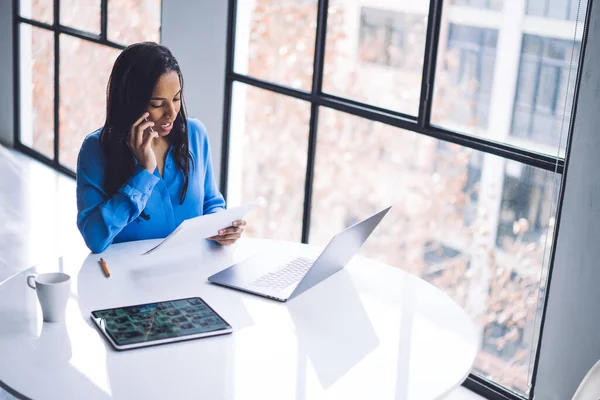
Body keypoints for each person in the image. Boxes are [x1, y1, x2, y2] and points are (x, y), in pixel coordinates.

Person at [76, 42, 245, 253]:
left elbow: (210, 202)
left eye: (176, 99)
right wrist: (144, 173)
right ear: (131, 102)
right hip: (126, 278)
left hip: (191, 271)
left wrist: (222, 226)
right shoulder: (95, 149)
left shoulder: (195, 134)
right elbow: (94, 238)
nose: (172, 112)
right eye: (158, 104)